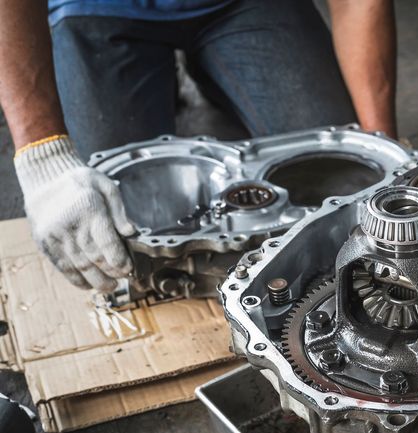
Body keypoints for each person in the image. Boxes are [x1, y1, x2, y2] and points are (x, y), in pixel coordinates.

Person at [0, 0, 397, 292]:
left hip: (242, 6)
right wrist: (43, 157)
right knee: (117, 227)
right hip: (94, 8)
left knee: (343, 184)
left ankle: (214, 68)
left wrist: (383, 153)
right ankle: (159, 73)